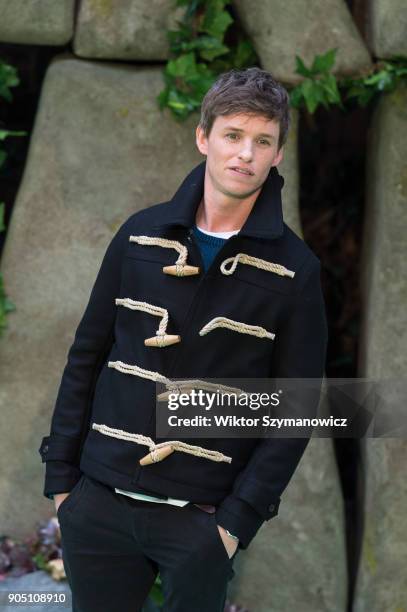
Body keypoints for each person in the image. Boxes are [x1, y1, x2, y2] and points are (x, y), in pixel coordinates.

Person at [39, 67, 328, 612]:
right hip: (98, 502)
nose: (245, 154)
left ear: (278, 154)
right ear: (204, 138)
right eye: (233, 135)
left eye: (262, 141)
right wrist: (63, 486)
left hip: (201, 521)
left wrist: (234, 524)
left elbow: (297, 408)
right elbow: (86, 357)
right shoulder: (139, 235)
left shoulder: (297, 270)